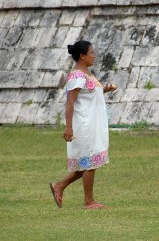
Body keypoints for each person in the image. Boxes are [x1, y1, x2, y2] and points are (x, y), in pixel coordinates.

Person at [49, 40, 117, 209]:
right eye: (92, 52)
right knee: (90, 164)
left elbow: (90, 94)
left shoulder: (87, 75)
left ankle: (59, 186)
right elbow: (70, 103)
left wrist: (105, 89)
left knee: (87, 163)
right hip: (84, 125)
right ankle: (89, 201)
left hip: (92, 124)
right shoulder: (77, 76)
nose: (94, 55)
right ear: (82, 55)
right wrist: (69, 127)